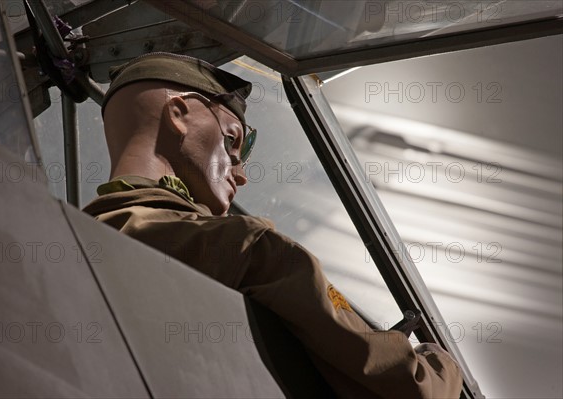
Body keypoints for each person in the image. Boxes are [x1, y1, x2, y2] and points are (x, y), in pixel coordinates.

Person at [83, 52, 463, 398]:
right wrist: (439, 363)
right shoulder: (247, 249)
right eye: (234, 142)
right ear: (179, 114)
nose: (241, 173)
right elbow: (414, 388)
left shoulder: (71, 250)